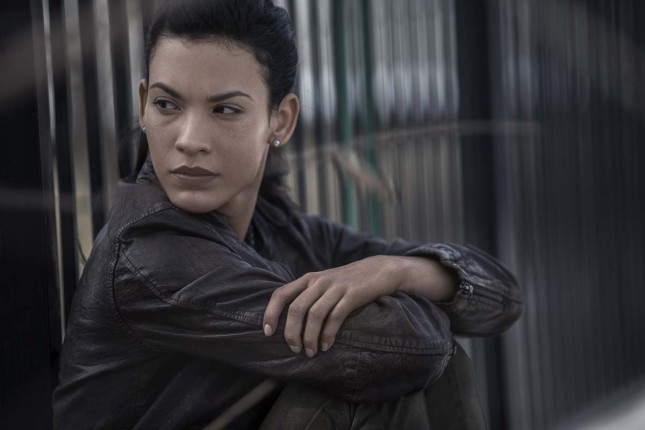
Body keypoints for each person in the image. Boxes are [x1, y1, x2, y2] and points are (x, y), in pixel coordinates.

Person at [53, 0, 524, 428]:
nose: (189, 139)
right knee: (383, 390)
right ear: (142, 105)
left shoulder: (275, 226)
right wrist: (420, 295)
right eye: (167, 104)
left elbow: (503, 299)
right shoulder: (152, 258)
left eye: (225, 110)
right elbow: (411, 351)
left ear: (281, 119)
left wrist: (396, 270)